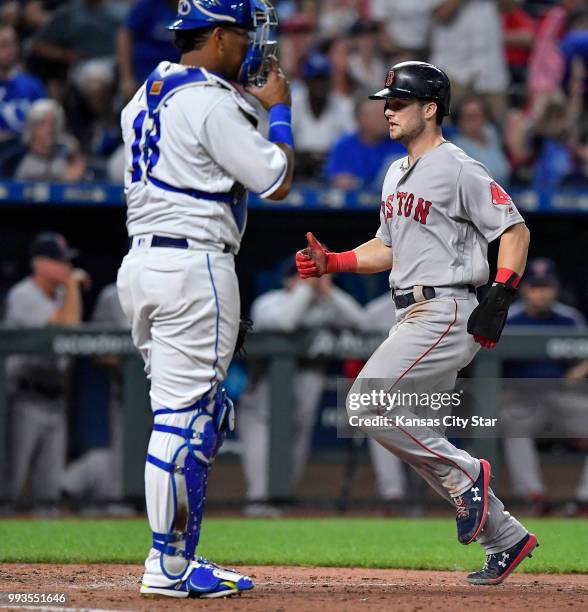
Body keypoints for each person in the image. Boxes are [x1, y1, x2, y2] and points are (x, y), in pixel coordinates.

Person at [296, 61, 537, 586]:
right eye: (387, 101)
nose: (387, 109)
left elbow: (514, 228)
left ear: (430, 109)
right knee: (403, 425)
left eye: (399, 102)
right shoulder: (395, 171)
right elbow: (387, 247)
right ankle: (507, 536)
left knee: (365, 401)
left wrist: (503, 288)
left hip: (447, 307)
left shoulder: (458, 166)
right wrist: (333, 261)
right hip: (410, 308)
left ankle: (469, 475)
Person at [116, 0, 294, 599]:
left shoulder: (146, 93)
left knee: (190, 416)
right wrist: (280, 112)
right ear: (216, 37)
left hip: (143, 264)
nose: (248, 47)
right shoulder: (210, 102)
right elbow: (276, 178)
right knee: (187, 420)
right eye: (240, 36)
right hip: (194, 265)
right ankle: (166, 565)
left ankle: (175, 558)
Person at [238, 260, 364, 516]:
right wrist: (306, 289)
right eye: (307, 275)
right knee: (260, 494)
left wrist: (329, 291)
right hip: (260, 411)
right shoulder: (269, 303)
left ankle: (275, 545)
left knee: (283, 493)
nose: (315, 280)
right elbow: (287, 322)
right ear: (289, 280)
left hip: (299, 416)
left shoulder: (326, 307)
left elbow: (362, 322)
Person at [4, 232, 89, 510]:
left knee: (48, 493)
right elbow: (63, 324)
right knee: (9, 488)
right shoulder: (23, 295)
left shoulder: (62, 294)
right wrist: (74, 284)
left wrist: (70, 288)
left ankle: (41, 553)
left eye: (67, 262)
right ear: (39, 263)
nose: (66, 267)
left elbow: (73, 332)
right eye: (58, 261)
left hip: (55, 399)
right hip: (23, 399)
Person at [502, 258, 588, 515]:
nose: (542, 293)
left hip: (560, 395)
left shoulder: (569, 318)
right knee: (511, 422)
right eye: (536, 286)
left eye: (547, 286)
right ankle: (532, 494)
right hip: (522, 399)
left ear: (555, 288)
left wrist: (580, 369)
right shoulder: (509, 317)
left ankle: (584, 500)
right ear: (525, 288)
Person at [324, 98, 406, 191]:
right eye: (377, 115)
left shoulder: (401, 144)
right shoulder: (344, 146)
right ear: (360, 119)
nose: (386, 119)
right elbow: (334, 178)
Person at [116, 0, 181, 102]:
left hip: (180, 74)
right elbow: (125, 36)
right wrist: (126, 78)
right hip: (145, 74)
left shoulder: (194, 7)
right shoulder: (148, 5)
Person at [15, 98, 87, 182]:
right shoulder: (16, 159)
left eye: (53, 123)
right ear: (32, 128)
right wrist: (63, 180)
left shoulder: (68, 155)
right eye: (43, 124)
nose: (50, 129)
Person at [452, 95, 511, 186]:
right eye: (467, 116)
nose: (472, 121)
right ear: (459, 121)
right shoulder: (457, 148)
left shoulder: (491, 133)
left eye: (477, 115)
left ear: (485, 117)